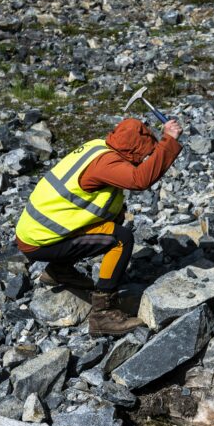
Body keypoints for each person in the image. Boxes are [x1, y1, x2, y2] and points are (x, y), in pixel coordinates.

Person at [15, 117, 182, 336]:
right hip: (42, 241)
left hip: (35, 231)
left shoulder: (98, 147)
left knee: (114, 217)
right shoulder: (106, 164)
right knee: (121, 239)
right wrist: (168, 141)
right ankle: (102, 314)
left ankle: (59, 270)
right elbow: (140, 180)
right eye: (143, 154)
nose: (144, 159)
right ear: (133, 151)